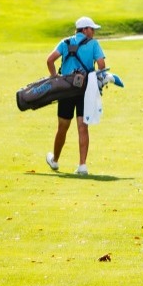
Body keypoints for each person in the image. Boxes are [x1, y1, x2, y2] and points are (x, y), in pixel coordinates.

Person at [46, 16, 108, 176]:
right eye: (92, 29)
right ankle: (82, 165)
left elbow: (50, 60)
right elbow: (102, 65)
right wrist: (96, 79)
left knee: (62, 127)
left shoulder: (65, 43)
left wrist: (55, 78)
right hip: (85, 90)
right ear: (85, 30)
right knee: (83, 127)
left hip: (66, 89)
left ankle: (55, 161)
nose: (93, 32)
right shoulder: (93, 44)